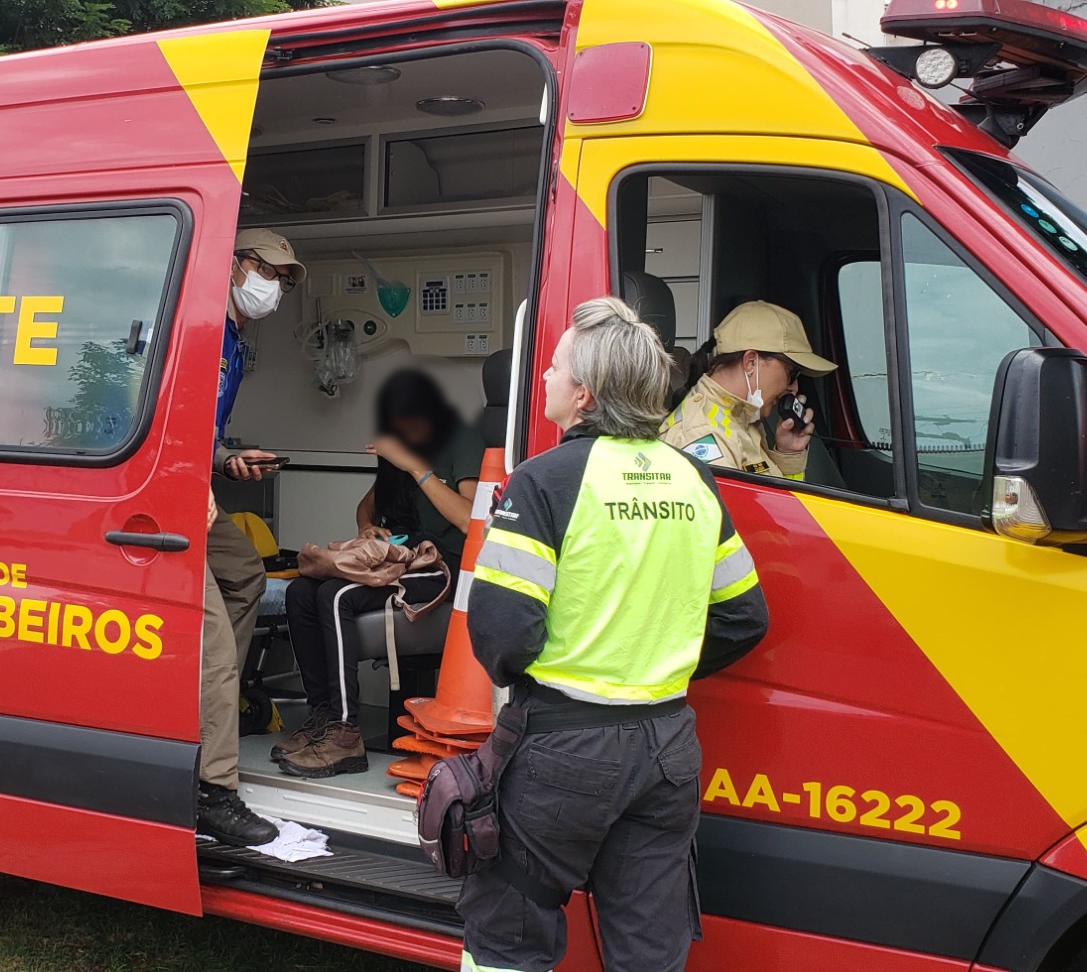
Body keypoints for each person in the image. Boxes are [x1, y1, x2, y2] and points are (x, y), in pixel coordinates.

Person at [460, 296, 770, 972]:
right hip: (667, 747)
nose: (542, 376)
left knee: (507, 935)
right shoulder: (693, 478)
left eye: (554, 366)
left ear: (585, 393)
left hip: (563, 746)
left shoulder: (542, 482)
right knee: (647, 950)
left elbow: (503, 634)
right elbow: (746, 616)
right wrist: (656, 663)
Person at [275, 369, 484, 779]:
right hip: (403, 559)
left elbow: (468, 520)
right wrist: (367, 529)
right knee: (302, 591)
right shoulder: (397, 445)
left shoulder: (461, 441)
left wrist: (415, 468)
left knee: (337, 596)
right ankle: (324, 716)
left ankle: (346, 733)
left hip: (446, 568)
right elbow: (366, 506)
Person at [197, 229, 303, 846]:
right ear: (236, 264)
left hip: (198, 493)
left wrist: (226, 458)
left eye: (286, 279)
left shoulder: (234, 338)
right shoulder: (201, 323)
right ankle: (212, 788)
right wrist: (208, 461)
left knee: (246, 575)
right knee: (210, 641)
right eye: (270, 271)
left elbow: (199, 428)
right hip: (167, 500)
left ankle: (212, 704)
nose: (278, 286)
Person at [661, 300, 837, 481]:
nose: (793, 387)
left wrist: (788, 456)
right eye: (791, 374)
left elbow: (774, 505)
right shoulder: (703, 435)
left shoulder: (742, 421)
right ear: (751, 362)